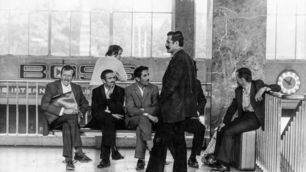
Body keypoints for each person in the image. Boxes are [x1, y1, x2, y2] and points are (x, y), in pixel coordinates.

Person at [210, 67, 281, 172]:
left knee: (229, 132)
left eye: (237, 78)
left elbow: (277, 87)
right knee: (222, 129)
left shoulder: (257, 84)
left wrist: (263, 89)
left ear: (242, 79)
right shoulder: (238, 90)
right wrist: (224, 122)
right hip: (244, 117)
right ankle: (218, 159)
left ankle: (224, 165)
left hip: (254, 119)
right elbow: (232, 108)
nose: (236, 80)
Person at [145, 31, 197, 172]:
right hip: (180, 112)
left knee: (160, 145)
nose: (166, 44)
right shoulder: (187, 58)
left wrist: (159, 104)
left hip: (171, 112)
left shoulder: (179, 59)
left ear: (176, 43)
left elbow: (171, 86)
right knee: (179, 145)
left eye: (168, 42)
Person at [41, 65, 91, 170]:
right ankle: (79, 151)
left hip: (69, 122)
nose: (66, 78)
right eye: (64, 75)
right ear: (60, 75)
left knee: (68, 124)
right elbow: (44, 105)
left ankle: (69, 160)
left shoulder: (76, 88)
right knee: (71, 118)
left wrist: (80, 112)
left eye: (69, 76)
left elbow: (85, 103)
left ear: (73, 77)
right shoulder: (52, 86)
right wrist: (64, 111)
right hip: (55, 119)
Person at [168, 61, 207, 168]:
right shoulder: (173, 83)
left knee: (201, 129)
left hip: (190, 118)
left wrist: (198, 111)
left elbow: (202, 100)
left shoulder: (196, 83)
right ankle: (177, 157)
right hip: (175, 118)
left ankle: (193, 157)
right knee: (170, 132)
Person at [86, 69, 125, 168]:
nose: (113, 80)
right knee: (108, 120)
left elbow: (118, 109)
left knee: (108, 123)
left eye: (114, 78)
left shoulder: (120, 90)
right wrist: (110, 114)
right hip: (99, 120)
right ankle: (114, 149)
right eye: (110, 78)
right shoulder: (96, 91)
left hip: (116, 120)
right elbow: (95, 111)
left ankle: (105, 159)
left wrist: (109, 98)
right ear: (103, 80)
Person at [125, 66, 159, 170]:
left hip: (147, 121)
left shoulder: (153, 88)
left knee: (141, 127)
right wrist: (147, 114)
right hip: (132, 120)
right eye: (145, 75)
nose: (148, 77)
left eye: (148, 74)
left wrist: (143, 113)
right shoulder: (129, 89)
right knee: (143, 120)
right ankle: (151, 146)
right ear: (137, 79)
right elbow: (130, 110)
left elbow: (157, 107)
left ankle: (141, 160)